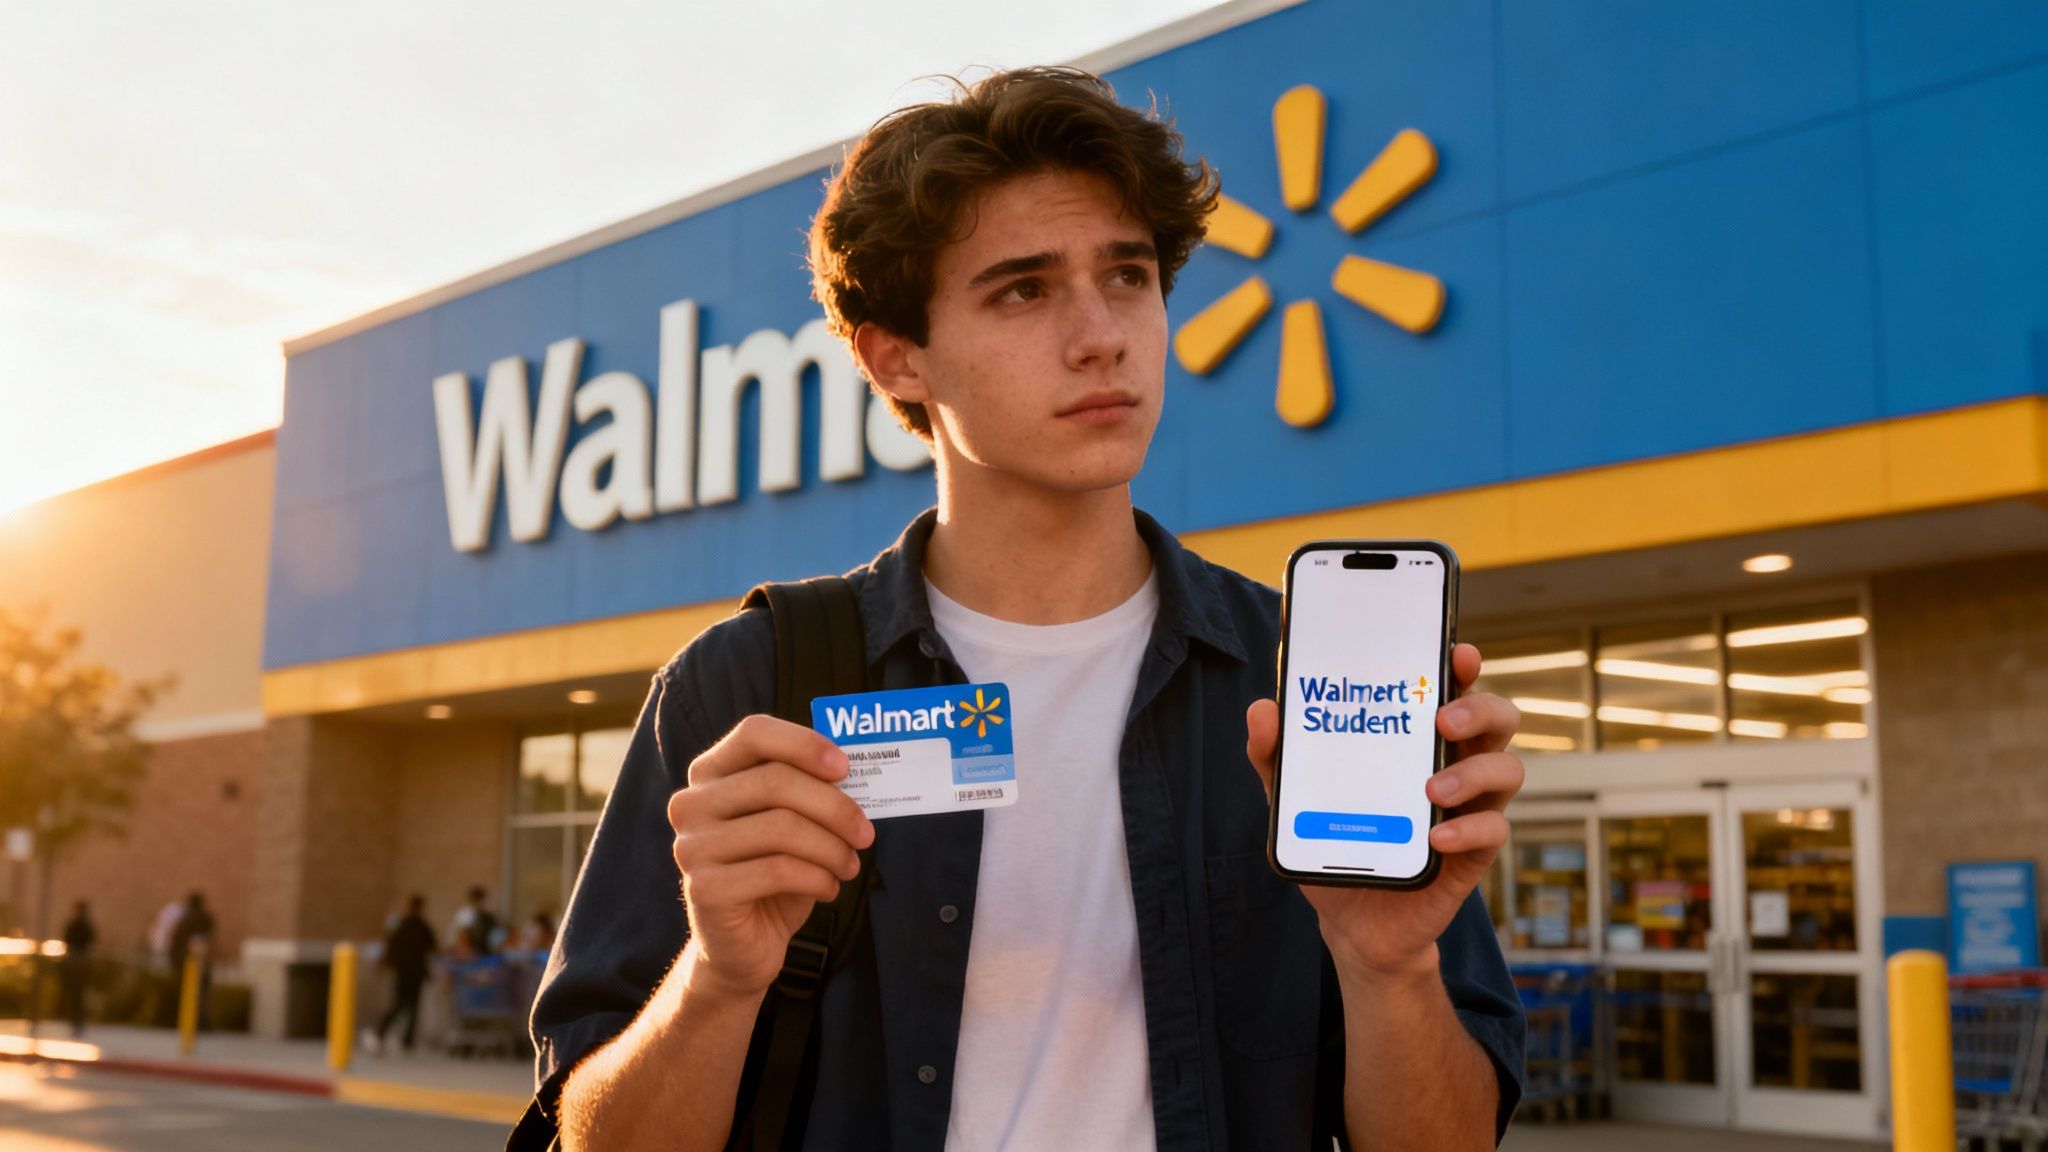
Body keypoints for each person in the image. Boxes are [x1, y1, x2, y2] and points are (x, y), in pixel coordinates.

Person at [529, 67, 1527, 1151]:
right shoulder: (748, 688)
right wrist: (718, 981)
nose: (1101, 334)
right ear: (896, 357)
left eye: (1128, 276)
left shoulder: (1296, 683)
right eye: (1023, 289)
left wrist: (1389, 966)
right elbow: (592, 1135)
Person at [368, 895, 437, 1055]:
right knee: (410, 1006)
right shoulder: (422, 926)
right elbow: (432, 947)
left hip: (403, 971)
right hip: (415, 972)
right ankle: (398, 1037)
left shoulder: (402, 925)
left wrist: (384, 963)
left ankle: (395, 1036)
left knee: (402, 1004)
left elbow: (390, 945)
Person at [167, 891, 214, 1031]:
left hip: (185, 962)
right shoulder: (202, 918)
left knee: (187, 995)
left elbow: (176, 942)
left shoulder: (185, 920)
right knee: (200, 994)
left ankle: (189, 1023)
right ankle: (199, 1023)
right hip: (196, 962)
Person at [58, 901, 95, 1038]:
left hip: (78, 963)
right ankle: (76, 1023)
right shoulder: (78, 925)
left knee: (78, 996)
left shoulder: (82, 926)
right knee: (76, 996)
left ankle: (78, 1023)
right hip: (77, 962)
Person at [450, 886, 498, 958]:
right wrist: (465, 951)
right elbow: (463, 934)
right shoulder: (466, 913)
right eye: (481, 900)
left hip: (479, 951)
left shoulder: (485, 915)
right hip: (466, 951)